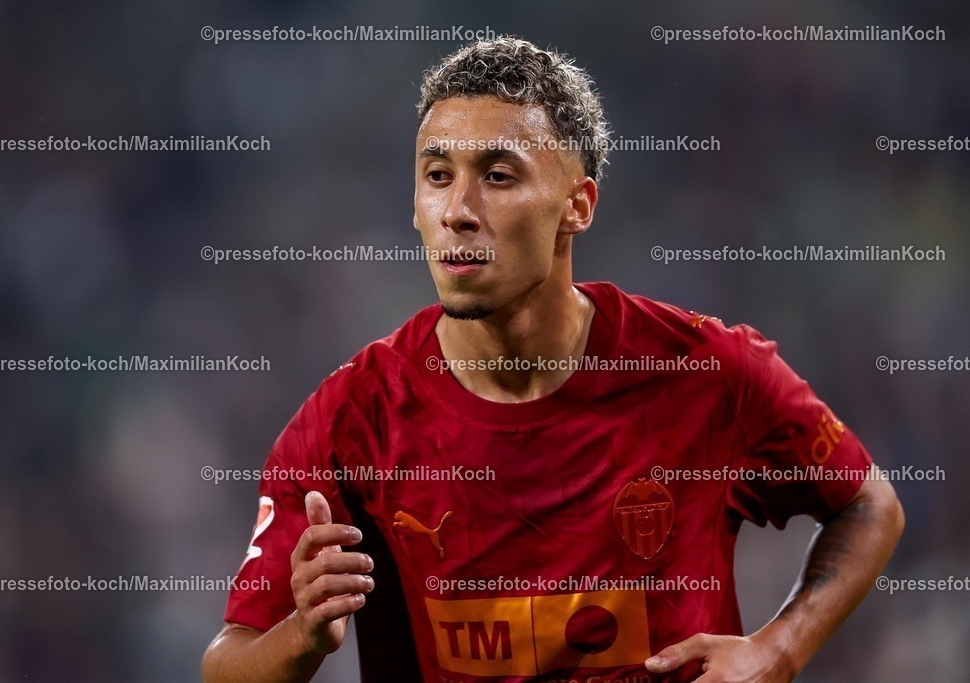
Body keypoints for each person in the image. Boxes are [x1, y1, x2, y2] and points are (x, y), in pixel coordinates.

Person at [201, 36, 904, 683]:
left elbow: (870, 505)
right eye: (437, 175)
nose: (458, 209)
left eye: (499, 176)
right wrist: (303, 636)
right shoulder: (351, 418)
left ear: (578, 205)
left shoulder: (703, 370)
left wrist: (778, 648)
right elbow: (226, 665)